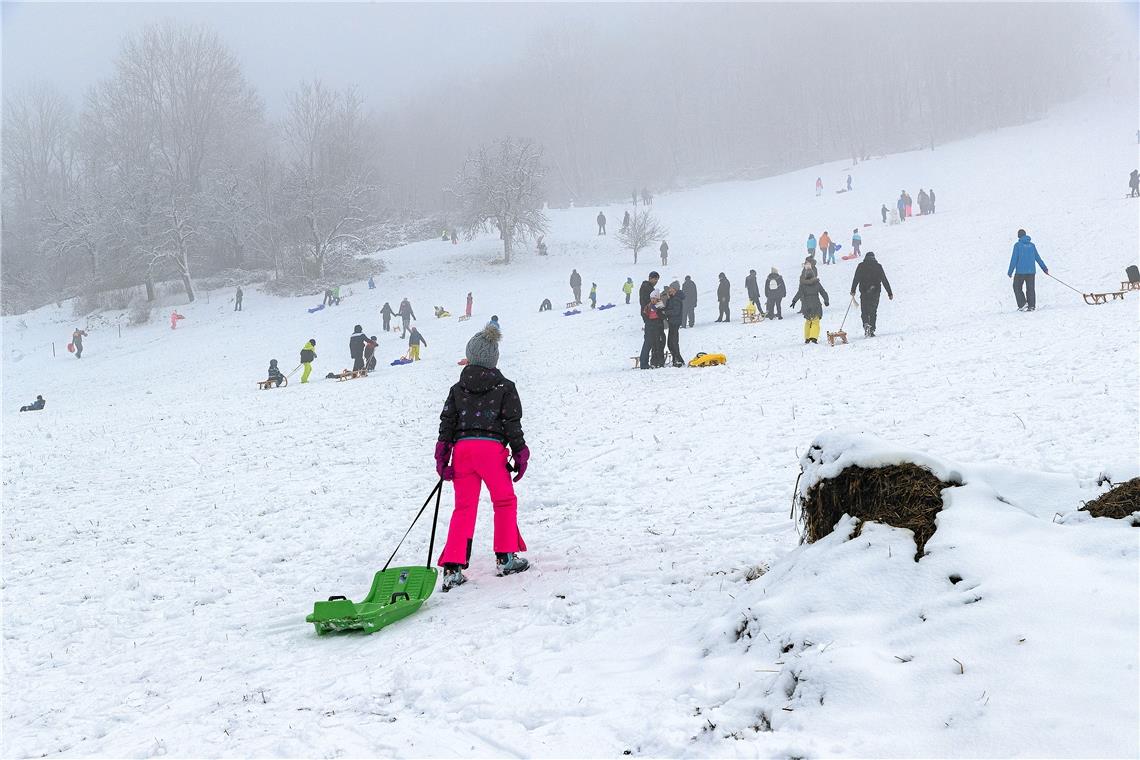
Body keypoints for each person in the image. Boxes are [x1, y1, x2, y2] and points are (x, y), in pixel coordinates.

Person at [435, 322, 530, 590]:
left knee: (464, 508)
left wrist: (443, 455)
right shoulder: (505, 386)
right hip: (491, 451)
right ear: (494, 359)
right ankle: (506, 556)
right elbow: (512, 423)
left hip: (463, 451)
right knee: (504, 501)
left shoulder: (457, 388)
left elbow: (447, 423)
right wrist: (519, 452)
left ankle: (453, 568)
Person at [850, 252, 893, 337]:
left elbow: (856, 278)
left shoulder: (861, 266)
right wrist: (889, 293)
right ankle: (872, 329)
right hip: (875, 292)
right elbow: (884, 280)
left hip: (864, 292)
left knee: (864, 311)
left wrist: (853, 290)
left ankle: (866, 324)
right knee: (873, 311)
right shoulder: (878, 266)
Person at [1008, 229, 1048, 312]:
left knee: (1017, 287)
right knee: (1030, 289)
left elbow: (1014, 259)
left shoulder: (1017, 245)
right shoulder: (1032, 245)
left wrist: (1010, 271)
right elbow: (1037, 258)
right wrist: (1044, 268)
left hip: (1020, 272)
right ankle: (1031, 306)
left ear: (1019, 236)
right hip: (1031, 272)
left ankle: (1022, 304)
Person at [790, 263, 829, 344]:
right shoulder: (817, 283)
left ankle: (807, 338)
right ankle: (814, 337)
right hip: (816, 304)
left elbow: (799, 293)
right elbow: (823, 292)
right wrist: (826, 300)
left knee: (808, 321)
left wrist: (794, 301)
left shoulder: (803, 285)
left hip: (806, 304)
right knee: (815, 321)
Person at [638, 271, 661, 369]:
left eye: (657, 279)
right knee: (648, 340)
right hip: (649, 318)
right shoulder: (647, 288)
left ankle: (645, 362)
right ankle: (643, 363)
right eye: (655, 279)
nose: (656, 281)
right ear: (650, 278)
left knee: (649, 340)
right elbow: (649, 303)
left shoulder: (647, 287)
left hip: (648, 317)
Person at [662, 285, 685, 367]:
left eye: (671, 291)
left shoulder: (676, 299)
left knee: (673, 342)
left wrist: (666, 312)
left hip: (675, 323)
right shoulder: (671, 299)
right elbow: (668, 308)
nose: (670, 293)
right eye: (669, 292)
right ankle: (676, 359)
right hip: (672, 322)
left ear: (675, 291)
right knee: (671, 343)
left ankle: (678, 360)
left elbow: (676, 311)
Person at [643, 290, 666, 367]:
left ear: (657, 298)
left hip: (658, 327)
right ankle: (653, 362)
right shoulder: (649, 306)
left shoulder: (660, 305)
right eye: (651, 298)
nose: (652, 300)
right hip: (651, 326)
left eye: (654, 298)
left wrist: (658, 311)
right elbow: (645, 313)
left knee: (659, 345)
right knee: (653, 345)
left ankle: (660, 362)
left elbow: (663, 316)